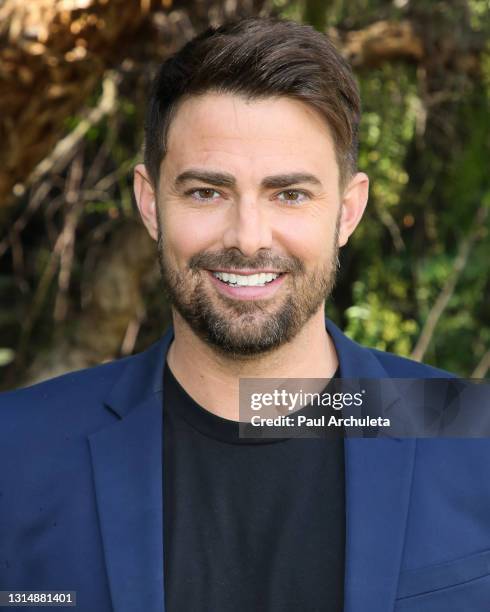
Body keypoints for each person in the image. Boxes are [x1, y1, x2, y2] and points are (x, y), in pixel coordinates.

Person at [1, 16, 489, 612]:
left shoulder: (471, 433)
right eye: (207, 192)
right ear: (151, 204)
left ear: (348, 211)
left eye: (290, 194)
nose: (249, 238)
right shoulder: (18, 449)